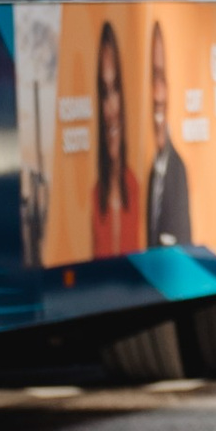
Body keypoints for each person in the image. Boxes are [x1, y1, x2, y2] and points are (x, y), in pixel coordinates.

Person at [89, 20, 139, 256]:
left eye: (115, 89)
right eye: (104, 92)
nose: (111, 108)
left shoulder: (136, 188)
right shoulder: (94, 198)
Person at [142, 21, 193, 248]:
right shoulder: (149, 172)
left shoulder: (176, 170)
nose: (157, 95)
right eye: (151, 80)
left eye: (161, 78)